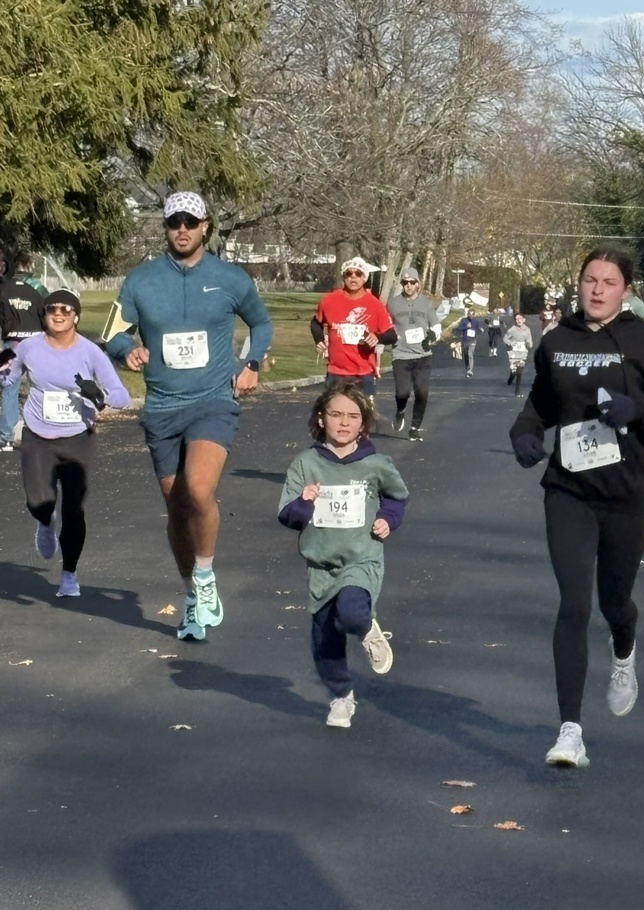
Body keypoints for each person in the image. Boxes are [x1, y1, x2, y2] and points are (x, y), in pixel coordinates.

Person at [510, 247, 644, 768]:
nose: (596, 290)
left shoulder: (643, 342)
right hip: (568, 491)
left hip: (626, 494)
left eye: (609, 282)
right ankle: (570, 731)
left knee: (614, 601)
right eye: (589, 280)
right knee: (574, 603)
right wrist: (525, 434)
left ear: (626, 291)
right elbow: (540, 405)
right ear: (578, 285)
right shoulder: (557, 342)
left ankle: (624, 649)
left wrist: (638, 409)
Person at [105, 191, 273, 641]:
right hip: (162, 406)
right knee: (177, 508)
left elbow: (261, 323)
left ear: (205, 227)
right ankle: (193, 597)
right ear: (165, 227)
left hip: (212, 400)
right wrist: (126, 350)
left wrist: (251, 363)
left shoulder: (229, 278)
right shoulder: (141, 280)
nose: (182, 229)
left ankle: (205, 574)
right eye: (174, 222)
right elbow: (113, 332)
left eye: (190, 222)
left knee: (198, 489)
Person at [278, 381, 408, 729]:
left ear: (363, 423)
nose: (344, 422)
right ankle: (341, 695)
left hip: (361, 557)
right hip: (321, 563)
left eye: (352, 416)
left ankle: (366, 629)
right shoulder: (305, 463)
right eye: (336, 414)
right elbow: (288, 516)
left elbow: (397, 497)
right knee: (325, 638)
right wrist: (304, 502)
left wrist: (387, 519)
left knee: (351, 612)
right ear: (322, 419)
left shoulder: (376, 464)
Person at [0, 290, 130, 596]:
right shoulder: (29, 347)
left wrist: (100, 395)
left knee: (74, 509)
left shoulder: (90, 352)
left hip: (76, 439)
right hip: (38, 436)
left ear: (76, 316)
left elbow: (121, 396)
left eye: (66, 309)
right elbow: (8, 378)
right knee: (38, 502)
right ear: (44, 315)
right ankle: (45, 521)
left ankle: (69, 573)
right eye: (52, 309)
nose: (58, 314)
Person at [312, 258, 396, 399]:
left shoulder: (375, 305)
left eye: (358, 273)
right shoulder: (329, 301)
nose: (353, 277)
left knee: (364, 412)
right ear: (343, 277)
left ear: (364, 278)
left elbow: (392, 335)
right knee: (333, 411)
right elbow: (315, 323)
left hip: (363, 373)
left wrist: (377, 337)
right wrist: (319, 340)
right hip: (336, 371)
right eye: (348, 273)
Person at [386, 267, 441, 441]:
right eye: (405, 283)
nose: (409, 286)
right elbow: (385, 325)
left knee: (422, 393)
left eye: (412, 282)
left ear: (418, 284)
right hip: (401, 354)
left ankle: (414, 428)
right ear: (402, 284)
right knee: (402, 392)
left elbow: (435, 324)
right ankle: (400, 410)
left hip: (423, 355)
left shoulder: (426, 303)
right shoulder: (393, 304)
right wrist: (388, 337)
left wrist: (433, 335)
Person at [0, 252, 47, 449]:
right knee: (41, 386)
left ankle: (6, 436)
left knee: (9, 389)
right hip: (36, 342)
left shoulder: (4, 289)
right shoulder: (36, 289)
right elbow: (46, 314)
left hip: (13, 343)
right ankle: (42, 431)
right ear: (27, 265)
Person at [503, 312, 533, 397]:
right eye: (516, 319)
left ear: (524, 320)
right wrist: (511, 343)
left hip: (522, 353)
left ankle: (517, 391)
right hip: (513, 353)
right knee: (514, 371)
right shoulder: (512, 330)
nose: (518, 320)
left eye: (520, 318)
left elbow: (529, 341)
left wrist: (529, 344)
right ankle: (511, 378)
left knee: (520, 372)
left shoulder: (527, 330)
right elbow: (505, 338)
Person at [453, 307, 482, 377]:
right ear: (467, 314)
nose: (471, 315)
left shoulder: (476, 321)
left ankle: (470, 370)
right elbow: (459, 328)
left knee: (470, 354)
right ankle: (467, 369)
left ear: (474, 315)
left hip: (473, 340)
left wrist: (480, 330)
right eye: (470, 314)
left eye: (472, 314)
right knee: (466, 355)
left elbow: (479, 328)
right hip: (465, 340)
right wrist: (466, 327)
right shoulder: (464, 321)